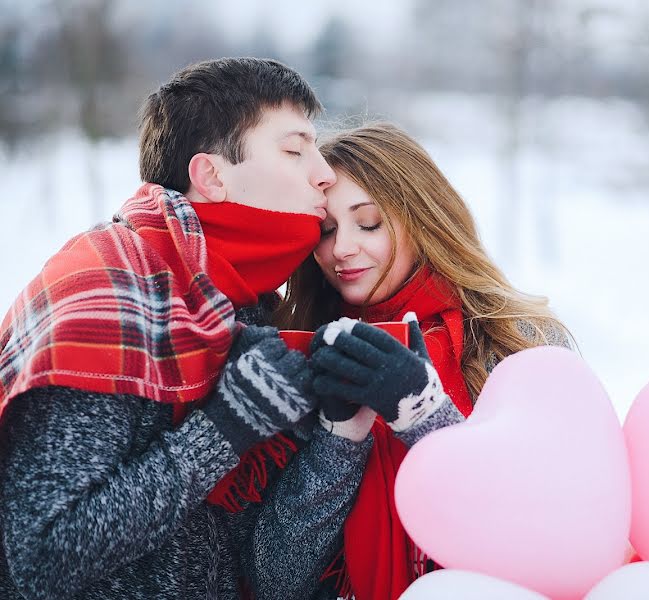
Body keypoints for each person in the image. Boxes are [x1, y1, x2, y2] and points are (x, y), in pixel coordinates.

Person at [0, 57, 336, 599]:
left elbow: (266, 564)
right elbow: (42, 554)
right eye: (295, 150)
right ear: (211, 175)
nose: (325, 173)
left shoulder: (235, 306)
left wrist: (342, 433)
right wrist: (222, 432)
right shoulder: (104, 295)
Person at [258, 122, 571, 600]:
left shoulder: (517, 340)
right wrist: (340, 437)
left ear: (422, 218)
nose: (341, 249)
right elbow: (275, 579)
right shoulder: (301, 353)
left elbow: (553, 527)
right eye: (326, 231)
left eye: (369, 223)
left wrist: (424, 413)